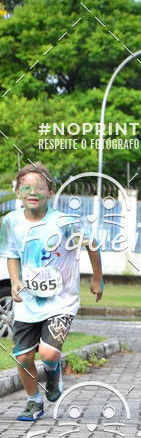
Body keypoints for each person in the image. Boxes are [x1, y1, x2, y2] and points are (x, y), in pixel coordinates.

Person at [0, 163, 104, 421]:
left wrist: (97, 279)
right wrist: (15, 281)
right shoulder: (11, 221)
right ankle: (34, 402)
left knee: (48, 353)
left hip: (62, 299)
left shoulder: (64, 222)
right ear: (18, 192)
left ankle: (53, 372)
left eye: (39, 187)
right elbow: (12, 254)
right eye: (26, 187)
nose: (33, 192)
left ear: (50, 191)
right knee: (23, 356)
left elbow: (92, 244)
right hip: (28, 300)